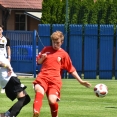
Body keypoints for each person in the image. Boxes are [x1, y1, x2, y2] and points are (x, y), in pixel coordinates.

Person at [33, 31, 92, 117]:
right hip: (43, 76)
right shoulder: (46, 49)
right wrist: (42, 58)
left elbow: (71, 69)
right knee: (39, 89)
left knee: (52, 100)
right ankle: (36, 112)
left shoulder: (64, 54)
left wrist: (81, 81)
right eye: (53, 42)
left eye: (57, 43)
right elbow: (38, 62)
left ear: (62, 42)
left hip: (55, 80)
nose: (55, 45)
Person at [0, 24, 11, 93]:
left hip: (3, 58)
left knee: (4, 73)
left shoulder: (6, 39)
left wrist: (9, 57)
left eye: (0, 30)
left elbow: (8, 48)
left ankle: (3, 87)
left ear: (2, 30)